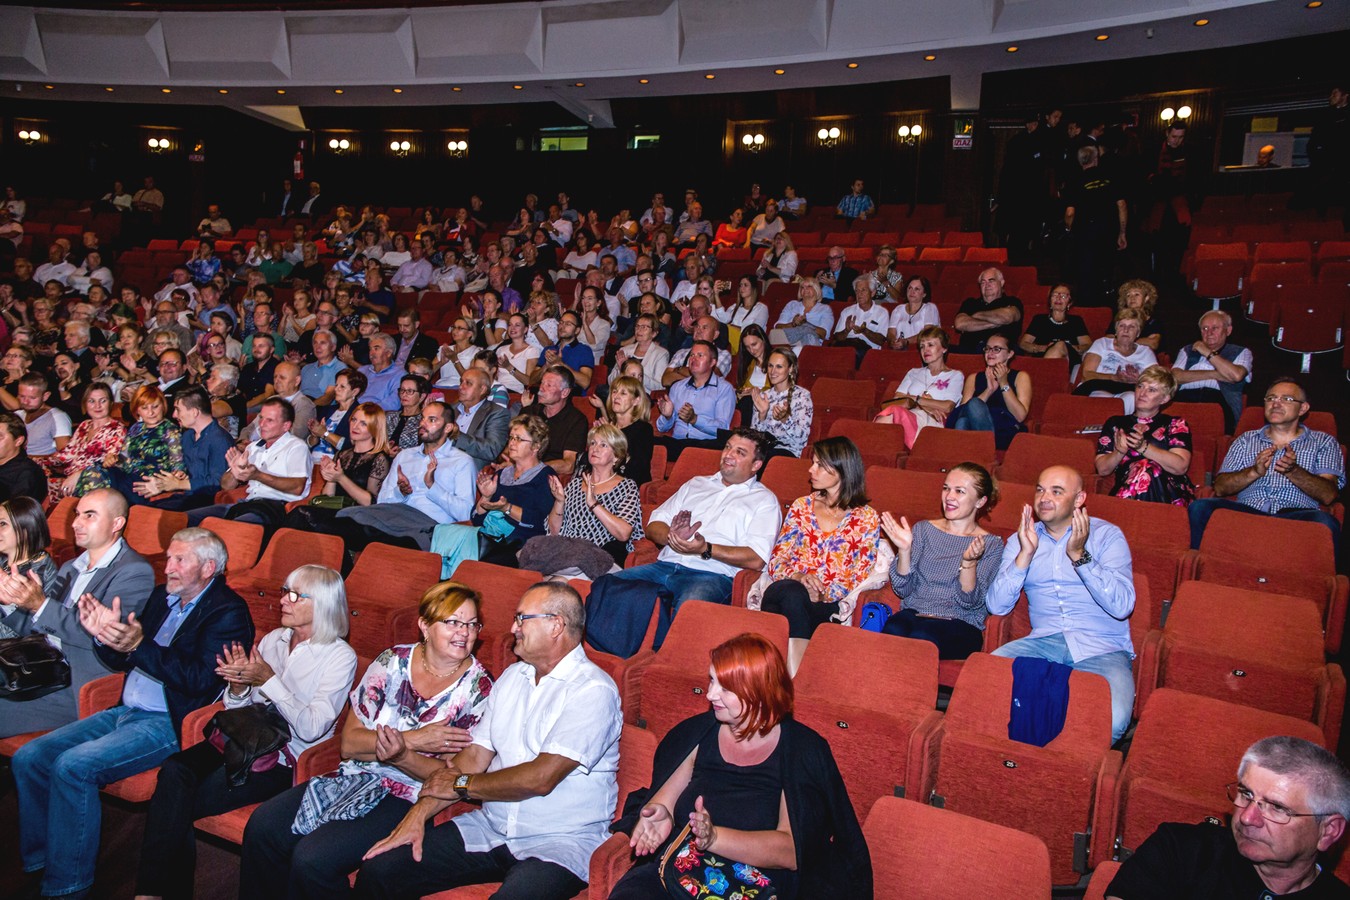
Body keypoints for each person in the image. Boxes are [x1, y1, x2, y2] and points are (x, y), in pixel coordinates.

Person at [11, 527, 252, 900]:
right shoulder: (162, 597)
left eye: (179, 560)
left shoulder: (229, 613)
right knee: (31, 757)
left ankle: (66, 887)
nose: (168, 567)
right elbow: (122, 656)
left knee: (72, 767)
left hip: (168, 721)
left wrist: (138, 645)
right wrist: (102, 636)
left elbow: (199, 681)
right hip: (124, 709)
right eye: (168, 558)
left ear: (208, 568)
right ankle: (45, 860)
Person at [350, 582, 619, 900]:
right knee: (381, 869)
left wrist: (462, 785)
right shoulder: (512, 678)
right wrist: (418, 814)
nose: (512, 628)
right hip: (492, 827)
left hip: (560, 842)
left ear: (556, 624)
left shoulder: (592, 690)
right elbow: (474, 757)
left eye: (521, 619)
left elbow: (541, 777)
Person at [240, 581, 492, 900]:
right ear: (425, 626)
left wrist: (400, 753)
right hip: (353, 777)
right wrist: (416, 739)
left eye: (472, 624)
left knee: (313, 859)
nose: (464, 632)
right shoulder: (391, 662)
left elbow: (453, 779)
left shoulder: (478, 691)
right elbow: (349, 744)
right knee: (263, 827)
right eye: (453, 622)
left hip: (410, 797)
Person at [134, 565, 358, 900]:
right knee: (175, 770)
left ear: (322, 605)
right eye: (285, 590)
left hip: (287, 757)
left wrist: (269, 679)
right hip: (245, 737)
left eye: (294, 595)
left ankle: (159, 892)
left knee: (179, 802)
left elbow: (312, 729)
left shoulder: (340, 656)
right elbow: (240, 708)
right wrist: (238, 686)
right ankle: (152, 893)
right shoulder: (274, 640)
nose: (283, 600)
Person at [608, 634, 871, 900]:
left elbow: (791, 852)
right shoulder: (697, 733)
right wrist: (661, 815)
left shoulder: (802, 750)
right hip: (681, 869)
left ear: (758, 690)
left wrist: (714, 838)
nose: (710, 695)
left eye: (725, 688)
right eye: (712, 680)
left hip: (757, 881)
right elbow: (663, 802)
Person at [586, 429, 782, 658]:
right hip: (664, 566)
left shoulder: (764, 501)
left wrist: (705, 549)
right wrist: (673, 536)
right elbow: (653, 525)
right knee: (607, 584)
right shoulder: (696, 484)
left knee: (690, 605)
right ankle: (611, 656)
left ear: (756, 465)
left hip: (712, 575)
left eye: (740, 452)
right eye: (728, 447)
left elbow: (757, 558)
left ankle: (667, 661)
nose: (728, 454)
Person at [986, 465, 1137, 742]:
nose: (1044, 498)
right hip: (1042, 642)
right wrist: (1025, 556)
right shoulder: (1021, 539)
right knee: (985, 683)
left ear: (1079, 499)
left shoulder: (1107, 536)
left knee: (1112, 720)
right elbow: (997, 606)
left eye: (1056, 492)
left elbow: (1122, 606)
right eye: (1040, 489)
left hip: (1102, 648)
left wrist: (1080, 556)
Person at [0, 488, 154, 739]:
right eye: (77, 514)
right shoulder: (73, 566)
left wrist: (39, 604)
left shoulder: (134, 571)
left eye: (89, 516)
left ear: (117, 523)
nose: (76, 523)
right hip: (40, 669)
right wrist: (12, 602)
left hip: (76, 686)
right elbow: (41, 627)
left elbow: (101, 638)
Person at [757, 437, 881, 673]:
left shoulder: (866, 518)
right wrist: (798, 576)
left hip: (825, 603)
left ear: (842, 469)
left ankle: (776, 676)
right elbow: (777, 559)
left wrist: (823, 593)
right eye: (812, 463)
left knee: (791, 609)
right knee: (792, 593)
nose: (810, 470)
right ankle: (795, 681)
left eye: (819, 465)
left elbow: (858, 572)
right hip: (784, 589)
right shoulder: (801, 505)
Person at [1188, 376, 1344, 549]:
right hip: (1247, 510)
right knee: (1200, 507)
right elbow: (1220, 487)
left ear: (1303, 408)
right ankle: (1200, 565)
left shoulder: (1323, 442)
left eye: (1286, 399)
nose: (1275, 404)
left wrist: (1294, 471)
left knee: (1326, 523)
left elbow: (1329, 495)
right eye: (1270, 398)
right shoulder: (1246, 439)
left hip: (1297, 514)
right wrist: (1254, 472)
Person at [879, 463, 1004, 659]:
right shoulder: (923, 530)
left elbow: (970, 602)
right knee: (892, 629)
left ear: (980, 501)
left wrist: (968, 563)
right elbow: (902, 590)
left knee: (923, 639)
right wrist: (904, 550)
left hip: (960, 623)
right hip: (915, 614)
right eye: (946, 488)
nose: (949, 496)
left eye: (959, 491)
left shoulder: (991, 544)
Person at [332, 400, 475, 555]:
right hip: (392, 516)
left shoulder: (461, 461)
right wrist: (401, 492)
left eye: (431, 420)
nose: (423, 423)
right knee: (326, 522)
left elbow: (465, 513)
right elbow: (382, 500)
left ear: (448, 427)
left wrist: (432, 486)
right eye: (423, 418)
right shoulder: (405, 455)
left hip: (425, 525)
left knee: (370, 536)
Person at [534, 423, 644, 574]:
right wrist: (559, 502)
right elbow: (554, 531)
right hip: (566, 553)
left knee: (553, 581)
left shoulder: (626, 487)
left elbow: (623, 533)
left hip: (599, 558)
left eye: (603, 445)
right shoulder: (575, 484)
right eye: (593, 443)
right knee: (529, 551)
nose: (595, 448)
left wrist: (593, 504)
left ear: (616, 456)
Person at [186, 397, 311, 530]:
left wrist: (257, 475)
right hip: (247, 504)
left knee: (228, 528)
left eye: (269, 420)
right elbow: (226, 486)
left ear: (286, 426)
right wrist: (236, 470)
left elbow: (297, 487)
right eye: (261, 418)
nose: (262, 424)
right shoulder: (253, 447)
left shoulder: (296, 447)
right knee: (185, 519)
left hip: (275, 508)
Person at [283, 402, 392, 533]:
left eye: (363, 423)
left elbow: (371, 503)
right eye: (354, 420)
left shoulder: (380, 458)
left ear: (374, 428)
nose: (355, 426)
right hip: (336, 512)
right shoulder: (343, 454)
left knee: (302, 515)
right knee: (301, 515)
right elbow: (328, 497)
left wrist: (341, 478)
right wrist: (330, 477)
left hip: (360, 518)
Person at [1095, 366, 1195, 506]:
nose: (1142, 393)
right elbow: (1102, 469)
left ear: (1165, 398)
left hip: (1169, 494)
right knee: (1143, 467)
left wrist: (1144, 448)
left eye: (1152, 390)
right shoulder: (1116, 423)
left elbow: (1180, 467)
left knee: (1147, 467)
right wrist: (1119, 452)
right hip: (1127, 488)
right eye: (1140, 386)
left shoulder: (1175, 424)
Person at [472, 414, 555, 567]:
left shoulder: (545, 477)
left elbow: (541, 522)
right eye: (511, 438)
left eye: (519, 439)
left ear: (536, 446)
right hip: (489, 539)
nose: (512, 443)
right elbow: (476, 519)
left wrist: (506, 508)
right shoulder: (501, 474)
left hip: (520, 546)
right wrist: (485, 497)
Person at [75, 385, 183, 498]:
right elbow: (124, 459)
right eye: (145, 408)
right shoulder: (136, 428)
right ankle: (85, 511)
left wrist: (165, 483)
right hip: (128, 476)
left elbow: (177, 465)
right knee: (93, 471)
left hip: (147, 483)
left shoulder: (170, 430)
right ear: (138, 410)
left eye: (155, 407)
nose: (151, 412)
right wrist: (113, 459)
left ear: (163, 406)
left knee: (97, 478)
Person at [874, 325, 963, 449]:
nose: (925, 350)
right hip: (909, 415)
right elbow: (897, 398)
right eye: (922, 346)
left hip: (933, 422)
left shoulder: (955, 375)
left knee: (892, 414)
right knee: (893, 411)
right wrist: (925, 405)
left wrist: (917, 400)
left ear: (944, 348)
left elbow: (948, 406)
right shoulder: (913, 372)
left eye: (930, 345)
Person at [1063, 144, 1128, 305]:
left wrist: (1069, 229)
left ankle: (1088, 308)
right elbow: (1122, 205)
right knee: (1106, 270)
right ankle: (1105, 304)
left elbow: (1070, 212)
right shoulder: (1111, 177)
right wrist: (1122, 232)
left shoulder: (1075, 180)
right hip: (1108, 230)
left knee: (1086, 273)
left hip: (1085, 233)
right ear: (1096, 159)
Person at [1170, 309, 1252, 434]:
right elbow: (1174, 377)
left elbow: (1236, 375)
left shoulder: (1241, 352)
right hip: (1184, 400)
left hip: (1219, 402)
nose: (1209, 333)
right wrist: (1215, 374)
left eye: (1215, 328)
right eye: (1205, 329)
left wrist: (1207, 352)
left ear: (1228, 331)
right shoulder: (1187, 350)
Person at [42, 382, 127, 500]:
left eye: (103, 401)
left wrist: (79, 474)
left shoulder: (117, 428)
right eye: (91, 401)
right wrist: (41, 461)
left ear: (110, 403)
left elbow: (109, 462)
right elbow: (67, 454)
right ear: (85, 404)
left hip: (93, 479)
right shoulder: (84, 425)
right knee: (33, 471)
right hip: (71, 475)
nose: (97, 406)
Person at [947, 333, 1031, 450]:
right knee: (963, 420)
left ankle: (973, 453)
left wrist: (1003, 383)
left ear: (1010, 354)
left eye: (996, 349)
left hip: (1003, 430)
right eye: (987, 348)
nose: (990, 353)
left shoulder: (1020, 376)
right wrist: (989, 390)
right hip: (973, 429)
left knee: (968, 413)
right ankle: (980, 454)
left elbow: (1020, 416)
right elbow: (964, 410)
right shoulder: (974, 377)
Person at [655, 340, 735, 458]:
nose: (693, 359)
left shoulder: (724, 389)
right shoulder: (677, 387)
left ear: (713, 362)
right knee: (646, 441)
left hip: (705, 446)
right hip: (678, 443)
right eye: (692, 355)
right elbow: (661, 428)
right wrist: (667, 416)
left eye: (700, 355)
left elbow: (723, 429)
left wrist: (695, 419)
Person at [1074, 308, 1158, 412]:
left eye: (1131, 327)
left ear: (1138, 333)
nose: (1126, 330)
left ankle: (1123, 428)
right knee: (1103, 397)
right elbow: (1087, 375)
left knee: (1132, 398)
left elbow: (1157, 381)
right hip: (1097, 386)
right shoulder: (1102, 343)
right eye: (1122, 326)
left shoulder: (1146, 352)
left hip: (1128, 388)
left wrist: (1139, 379)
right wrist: (1114, 377)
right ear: (1116, 330)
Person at [518, 366, 588, 476]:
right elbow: (510, 447)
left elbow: (569, 465)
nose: (541, 389)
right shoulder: (529, 412)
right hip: (519, 468)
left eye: (549, 385)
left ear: (564, 393)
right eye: (542, 383)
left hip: (546, 477)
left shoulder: (576, 420)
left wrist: (533, 468)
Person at [589, 375, 654, 486]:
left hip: (628, 487)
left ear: (636, 401)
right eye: (614, 392)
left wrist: (610, 437)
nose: (616, 397)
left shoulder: (643, 429)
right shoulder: (607, 426)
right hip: (600, 482)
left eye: (623, 393)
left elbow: (637, 467)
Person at [749, 348, 813, 459]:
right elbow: (754, 438)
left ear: (790, 369)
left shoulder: (802, 396)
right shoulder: (764, 396)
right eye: (770, 366)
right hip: (765, 449)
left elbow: (801, 439)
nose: (773, 371)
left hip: (788, 452)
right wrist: (762, 415)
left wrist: (785, 419)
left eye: (779, 366)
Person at [446, 366, 511, 472]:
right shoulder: (449, 409)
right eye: (461, 382)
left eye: (468, 383)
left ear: (482, 389)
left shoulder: (496, 413)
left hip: (468, 470)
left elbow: (491, 450)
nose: (461, 387)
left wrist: (458, 436)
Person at [952, 267, 1023, 355]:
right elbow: (960, 324)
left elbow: (1007, 317)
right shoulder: (970, 303)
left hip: (1000, 352)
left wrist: (976, 315)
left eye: (991, 281)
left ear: (1001, 283)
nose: (987, 285)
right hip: (969, 350)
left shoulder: (1012, 301)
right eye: (983, 282)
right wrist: (996, 323)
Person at [1020, 283, 1092, 366]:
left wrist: (1069, 347)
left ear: (1070, 302)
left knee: (1060, 345)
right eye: (1055, 295)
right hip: (1042, 358)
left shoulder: (1076, 321)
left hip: (1068, 361)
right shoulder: (1039, 319)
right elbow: (1023, 344)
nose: (1058, 298)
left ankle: (1043, 374)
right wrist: (1042, 348)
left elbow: (1088, 345)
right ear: (1050, 300)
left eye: (1064, 296)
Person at [830, 281, 891, 363]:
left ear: (872, 293)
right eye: (857, 291)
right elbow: (837, 337)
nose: (859, 294)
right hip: (846, 345)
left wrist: (864, 330)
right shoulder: (847, 311)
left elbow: (881, 340)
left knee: (851, 355)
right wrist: (846, 330)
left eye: (863, 290)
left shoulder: (881, 312)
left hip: (866, 349)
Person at [14, 371, 72, 458]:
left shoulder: (58, 418)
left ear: (45, 396)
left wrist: (27, 459)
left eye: (32, 397)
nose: (25, 402)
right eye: (22, 396)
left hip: (38, 469)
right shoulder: (17, 416)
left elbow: (65, 456)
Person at [612, 312, 670, 395]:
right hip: (621, 393)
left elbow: (660, 386)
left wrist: (638, 375)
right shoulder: (625, 350)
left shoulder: (661, 354)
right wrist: (621, 369)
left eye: (644, 327)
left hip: (642, 396)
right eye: (637, 326)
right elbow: (610, 381)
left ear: (654, 333)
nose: (639, 330)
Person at [769, 278, 833, 349]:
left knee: (808, 335)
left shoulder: (825, 309)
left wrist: (806, 324)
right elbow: (778, 327)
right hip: (788, 338)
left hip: (810, 342)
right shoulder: (792, 305)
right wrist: (793, 324)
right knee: (773, 334)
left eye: (809, 286)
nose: (805, 289)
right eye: (802, 287)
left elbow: (823, 333)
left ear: (816, 289)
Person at [1107, 279, 1164, 352]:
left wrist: (1125, 341)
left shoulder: (1154, 321)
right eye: (1128, 295)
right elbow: (1107, 339)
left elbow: (1153, 343)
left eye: (1137, 294)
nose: (1132, 298)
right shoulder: (1119, 319)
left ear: (1146, 298)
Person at [887, 276, 940, 351]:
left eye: (917, 289)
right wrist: (893, 342)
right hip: (899, 350)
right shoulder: (898, 309)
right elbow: (891, 333)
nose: (912, 292)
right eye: (910, 288)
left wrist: (906, 341)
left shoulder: (930, 308)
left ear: (924, 294)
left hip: (922, 350)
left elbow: (928, 334)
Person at [387, 374, 431, 451]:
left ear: (422, 396)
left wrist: (401, 452)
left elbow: (424, 449)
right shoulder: (389, 416)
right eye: (402, 390)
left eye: (410, 391)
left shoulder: (422, 422)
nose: (404, 394)